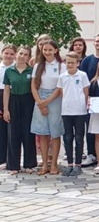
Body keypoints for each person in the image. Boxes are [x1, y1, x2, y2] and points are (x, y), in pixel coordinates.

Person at [31, 40, 63, 176]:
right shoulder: (38, 65)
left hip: (55, 98)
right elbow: (33, 85)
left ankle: (54, 164)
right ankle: (44, 164)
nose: (47, 52)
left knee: (55, 133)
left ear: (55, 50)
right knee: (43, 133)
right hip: (40, 97)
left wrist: (47, 101)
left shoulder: (61, 66)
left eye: (50, 50)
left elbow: (60, 87)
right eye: (45, 50)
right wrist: (40, 102)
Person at [3, 46, 36, 175]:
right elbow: (6, 90)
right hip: (14, 101)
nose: (22, 56)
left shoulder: (31, 70)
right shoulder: (9, 71)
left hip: (28, 101)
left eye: (25, 54)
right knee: (13, 133)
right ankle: (13, 165)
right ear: (16, 54)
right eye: (20, 53)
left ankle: (29, 163)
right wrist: (6, 109)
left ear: (28, 57)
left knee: (28, 132)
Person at [57, 52, 90, 177]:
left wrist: (83, 104)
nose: (70, 64)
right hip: (66, 111)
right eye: (68, 62)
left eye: (72, 62)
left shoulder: (82, 75)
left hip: (80, 111)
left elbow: (86, 91)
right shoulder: (62, 77)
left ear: (78, 63)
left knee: (79, 138)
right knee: (67, 138)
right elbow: (61, 92)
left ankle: (78, 164)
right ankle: (69, 164)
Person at [0, 45, 14, 170]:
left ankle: (12, 159)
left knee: (13, 130)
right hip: (0, 97)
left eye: (11, 54)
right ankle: (2, 159)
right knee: (2, 131)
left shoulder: (16, 68)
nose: (8, 56)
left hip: (14, 97)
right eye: (6, 53)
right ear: (2, 54)